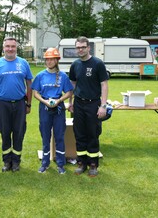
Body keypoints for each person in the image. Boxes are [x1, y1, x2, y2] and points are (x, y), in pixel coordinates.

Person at [0, 37, 33, 172]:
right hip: (3, 104)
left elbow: (29, 84)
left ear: (16, 48)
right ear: (3, 48)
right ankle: (7, 161)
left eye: (13, 46)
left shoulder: (23, 63)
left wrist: (29, 104)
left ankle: (16, 161)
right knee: (5, 132)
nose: (10, 49)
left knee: (19, 133)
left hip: (19, 103)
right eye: (7, 46)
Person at [68, 36, 108, 177]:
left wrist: (103, 105)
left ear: (88, 48)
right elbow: (72, 85)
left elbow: (104, 85)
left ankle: (93, 165)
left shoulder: (97, 64)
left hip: (93, 103)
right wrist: (70, 102)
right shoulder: (75, 65)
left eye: (83, 47)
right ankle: (81, 163)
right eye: (78, 47)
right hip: (79, 103)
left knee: (93, 134)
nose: (80, 49)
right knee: (79, 134)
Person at [31, 48, 73, 174]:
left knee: (59, 136)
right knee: (45, 136)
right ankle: (45, 163)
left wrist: (59, 100)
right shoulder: (40, 76)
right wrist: (45, 102)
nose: (49, 62)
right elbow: (35, 93)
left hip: (58, 108)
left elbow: (70, 92)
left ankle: (60, 164)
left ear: (57, 60)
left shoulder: (63, 76)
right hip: (44, 107)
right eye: (47, 59)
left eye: (52, 59)